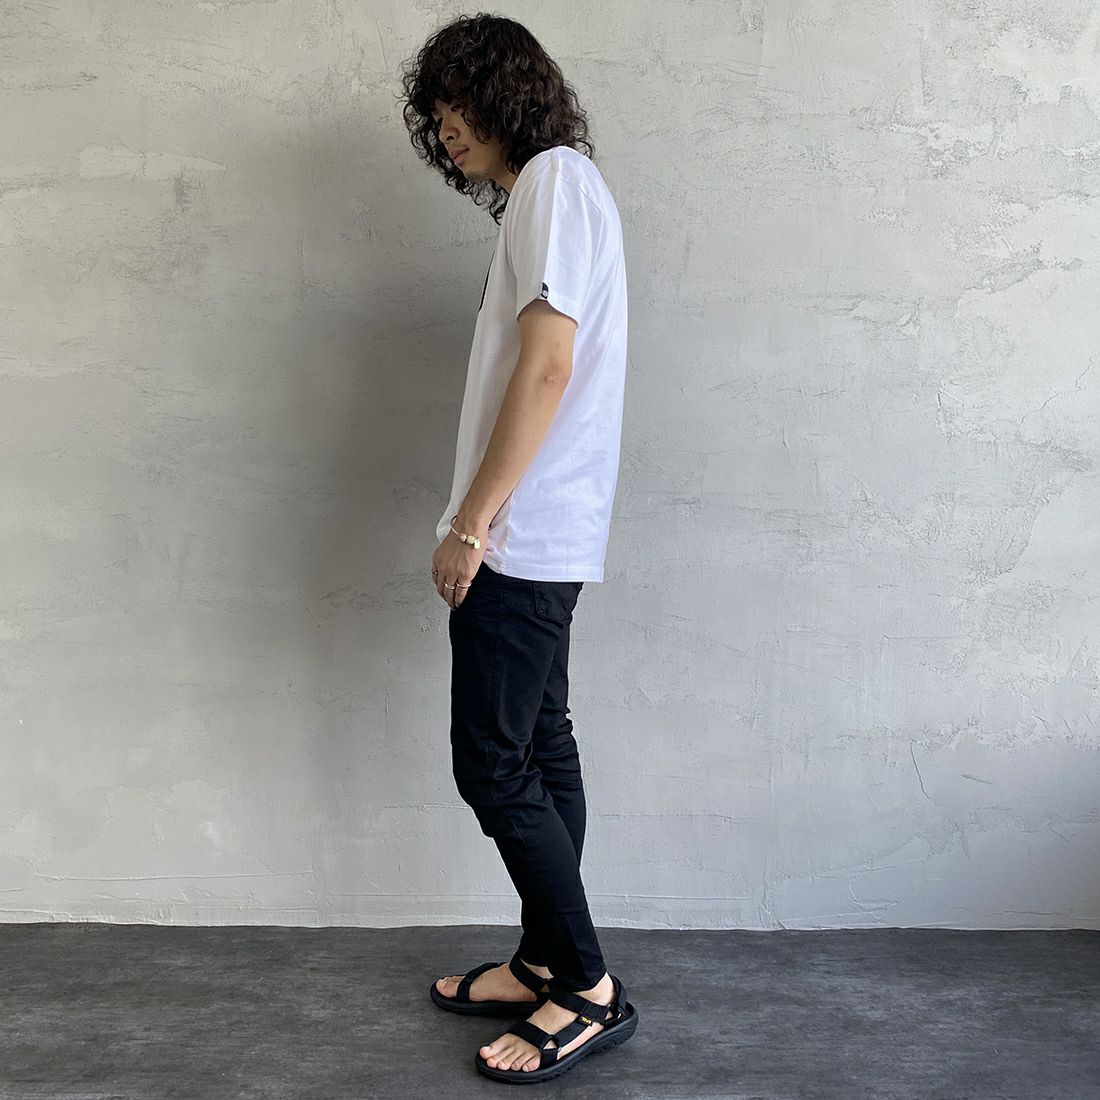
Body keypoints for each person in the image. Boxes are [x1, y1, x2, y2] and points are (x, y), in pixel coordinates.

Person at [399, 14, 637, 1083]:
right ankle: (543, 958)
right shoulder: (563, 190)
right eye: (436, 110)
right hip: (547, 527)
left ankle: (584, 986)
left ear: (507, 95)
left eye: (459, 102)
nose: (446, 125)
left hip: (521, 533)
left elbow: (546, 366)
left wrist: (471, 523)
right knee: (540, 743)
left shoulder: (550, 182)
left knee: (492, 763)